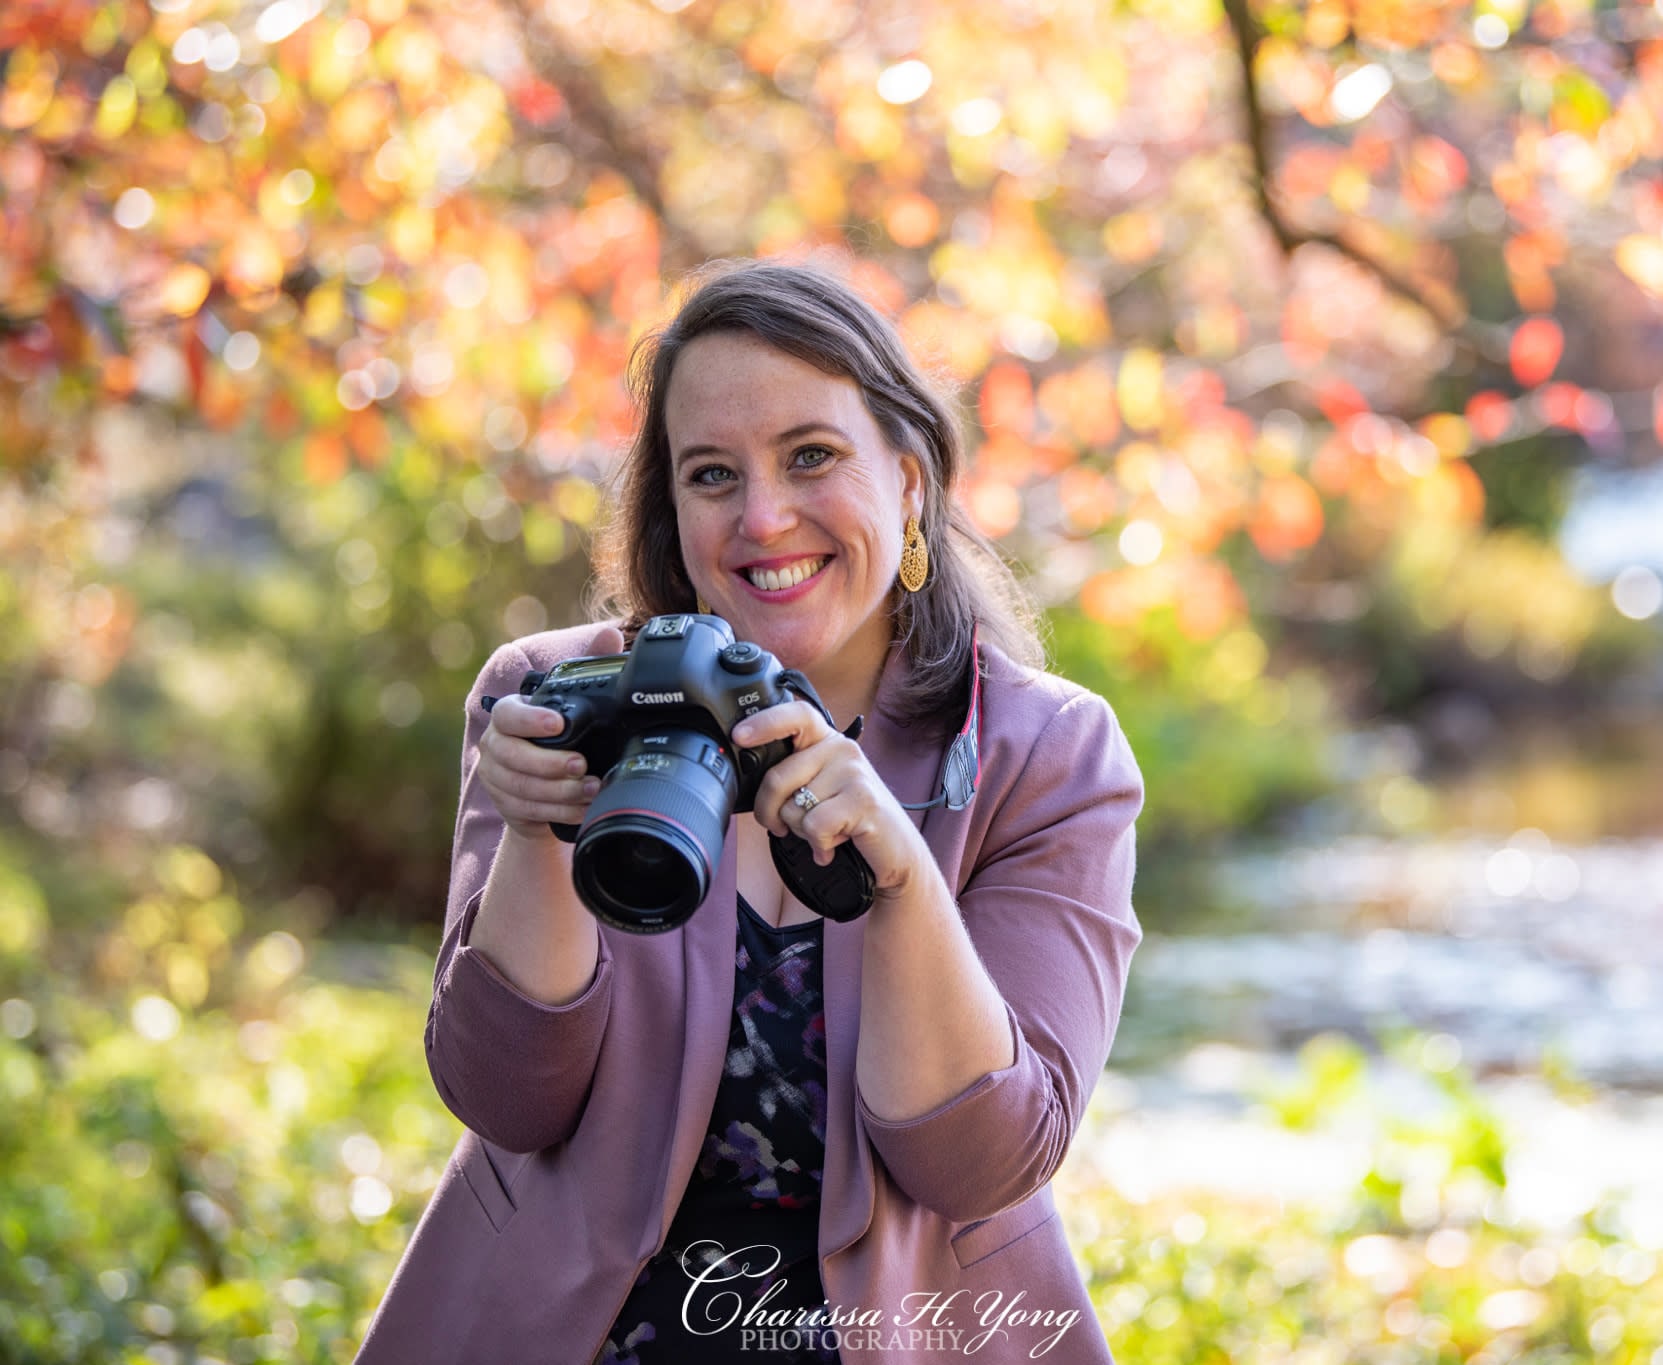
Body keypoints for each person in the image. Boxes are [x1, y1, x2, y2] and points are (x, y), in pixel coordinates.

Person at [356, 260, 1145, 1364]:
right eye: (711, 474)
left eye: (811, 457)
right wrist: (539, 832)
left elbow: (979, 1166)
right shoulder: (546, 697)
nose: (763, 518)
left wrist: (904, 879)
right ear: (668, 507)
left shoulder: (1044, 754)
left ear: (909, 482)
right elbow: (506, 1102)